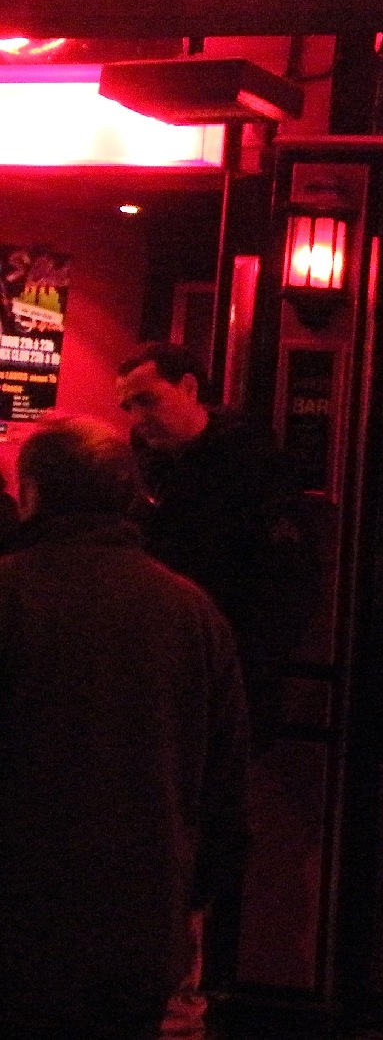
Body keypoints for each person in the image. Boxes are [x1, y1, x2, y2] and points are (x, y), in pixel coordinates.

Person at [0, 417, 248, 1040]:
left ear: (33, 494)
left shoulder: (10, 594)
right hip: (141, 913)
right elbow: (224, 780)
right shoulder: (190, 609)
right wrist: (191, 892)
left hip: (20, 911)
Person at [115, 342, 316, 735]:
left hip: (230, 671)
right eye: (129, 407)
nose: (138, 418)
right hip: (159, 669)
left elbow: (289, 582)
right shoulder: (142, 470)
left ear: (189, 387)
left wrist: (243, 664)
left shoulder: (255, 466)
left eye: (148, 400)